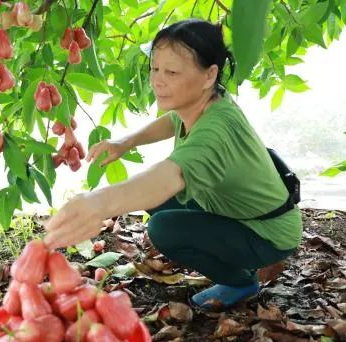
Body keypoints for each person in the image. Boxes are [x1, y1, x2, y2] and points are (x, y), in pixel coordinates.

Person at [43, 18, 302, 311]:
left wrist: (97, 203)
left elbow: (168, 177)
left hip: (266, 231)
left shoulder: (216, 131)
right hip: (239, 210)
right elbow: (172, 121)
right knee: (158, 203)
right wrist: (125, 142)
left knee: (163, 227)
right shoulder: (203, 101)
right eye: (154, 68)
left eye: (172, 72)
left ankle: (240, 282)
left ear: (209, 75)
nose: (157, 80)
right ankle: (226, 251)